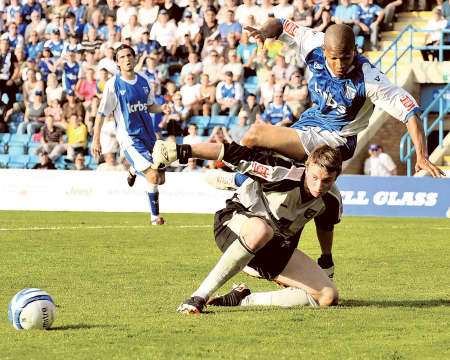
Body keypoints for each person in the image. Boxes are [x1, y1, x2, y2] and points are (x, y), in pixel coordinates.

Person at [152, 140, 340, 314]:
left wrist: (326, 259)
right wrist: (180, 150)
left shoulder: (331, 200)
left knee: (328, 296)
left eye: (327, 181)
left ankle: (243, 299)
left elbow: (325, 226)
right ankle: (198, 297)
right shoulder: (281, 172)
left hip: (274, 248)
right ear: (306, 167)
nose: (319, 186)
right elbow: (231, 152)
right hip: (233, 225)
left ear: (336, 177)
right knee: (261, 229)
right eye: (314, 177)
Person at [242, 19, 443, 177]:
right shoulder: (312, 44)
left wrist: (422, 156)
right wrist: (263, 32)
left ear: (354, 50)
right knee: (267, 157)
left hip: (337, 139)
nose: (340, 64)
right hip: (311, 121)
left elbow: (410, 111)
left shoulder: (369, 79)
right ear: (324, 51)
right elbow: (281, 24)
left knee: (256, 134)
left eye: (346, 57)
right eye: (334, 58)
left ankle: (233, 175)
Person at [92, 44, 170, 225]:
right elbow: (101, 113)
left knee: (161, 178)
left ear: (134, 58)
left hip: (149, 135)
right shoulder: (113, 85)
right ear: (117, 63)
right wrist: (96, 140)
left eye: (129, 55)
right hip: (130, 138)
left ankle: (134, 169)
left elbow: (150, 106)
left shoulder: (144, 81)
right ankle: (155, 218)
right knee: (153, 176)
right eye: (122, 57)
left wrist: (162, 107)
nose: (126, 59)